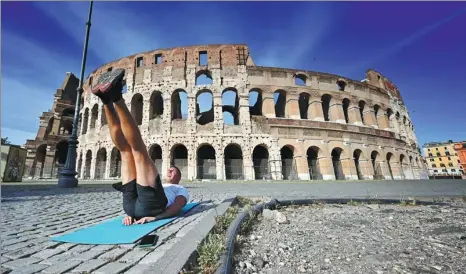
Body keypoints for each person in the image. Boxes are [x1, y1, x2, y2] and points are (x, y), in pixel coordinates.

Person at [91, 68, 189, 226]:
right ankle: (106, 100)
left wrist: (155, 218)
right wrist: (133, 214)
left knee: (139, 151)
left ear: (178, 178)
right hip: (131, 206)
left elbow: (177, 207)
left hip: (152, 205)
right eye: (170, 169)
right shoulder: (162, 184)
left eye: (174, 171)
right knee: (125, 151)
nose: (170, 170)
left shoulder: (181, 189)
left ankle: (116, 95)